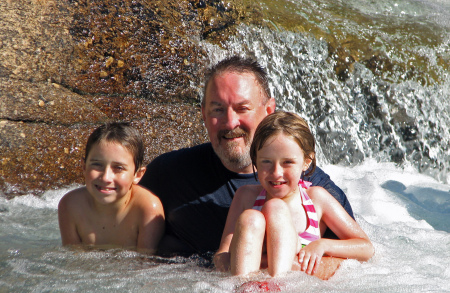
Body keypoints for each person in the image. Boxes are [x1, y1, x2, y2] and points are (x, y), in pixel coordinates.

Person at [139, 55, 353, 259]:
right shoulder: (169, 174)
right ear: (203, 114)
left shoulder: (314, 187)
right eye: (218, 110)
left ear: (269, 110)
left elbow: (355, 265)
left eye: (242, 108)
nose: (230, 123)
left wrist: (283, 269)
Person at [215, 111, 374, 278]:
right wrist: (234, 261)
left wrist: (323, 245)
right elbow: (222, 253)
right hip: (251, 284)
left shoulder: (316, 199)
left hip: (293, 290)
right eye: (266, 162)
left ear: (307, 161)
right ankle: (242, 287)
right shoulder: (245, 196)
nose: (276, 172)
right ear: (255, 160)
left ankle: (278, 283)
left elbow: (366, 248)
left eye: (288, 162)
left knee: (275, 208)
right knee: (251, 218)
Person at [58, 122, 165, 253]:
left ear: (137, 175)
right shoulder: (70, 205)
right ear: (84, 167)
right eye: (97, 165)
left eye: (118, 168)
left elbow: (146, 264)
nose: (105, 177)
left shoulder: (147, 208)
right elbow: (72, 262)